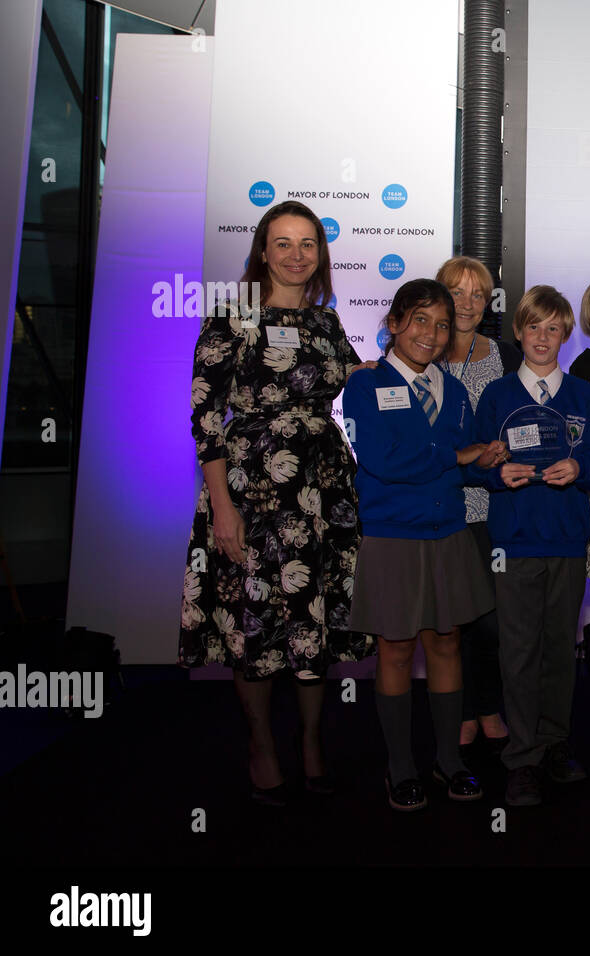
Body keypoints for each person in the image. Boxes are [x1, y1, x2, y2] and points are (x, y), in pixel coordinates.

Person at [179, 200, 373, 806]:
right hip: (253, 490)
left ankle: (312, 742)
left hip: (323, 490)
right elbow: (206, 420)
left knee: (316, 619)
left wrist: (410, 367)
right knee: (255, 621)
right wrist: (223, 508)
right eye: (283, 243)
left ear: (321, 254)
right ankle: (262, 744)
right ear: (263, 251)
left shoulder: (325, 322)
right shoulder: (231, 316)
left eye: (307, 244)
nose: (296, 255)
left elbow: (359, 379)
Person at [344, 279, 501, 810]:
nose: (430, 334)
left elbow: (470, 463)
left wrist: (496, 464)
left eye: (441, 324)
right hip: (393, 536)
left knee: (447, 642)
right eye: (419, 321)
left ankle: (449, 760)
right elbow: (382, 461)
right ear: (393, 324)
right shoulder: (366, 385)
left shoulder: (454, 392)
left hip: (449, 532)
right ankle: (400, 768)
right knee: (395, 648)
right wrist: (457, 458)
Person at [471, 285, 590, 806]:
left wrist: (579, 466)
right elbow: (477, 463)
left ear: (567, 335)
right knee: (519, 650)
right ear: (518, 331)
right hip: (513, 540)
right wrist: (495, 472)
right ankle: (522, 756)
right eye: (534, 327)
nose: (543, 338)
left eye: (554, 329)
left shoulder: (585, 397)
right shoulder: (497, 395)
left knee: (558, 648)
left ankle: (555, 742)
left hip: (568, 538)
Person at [434, 255, 521, 755]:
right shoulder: (422, 350)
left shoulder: (506, 355)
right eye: (457, 292)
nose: (467, 303)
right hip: (443, 506)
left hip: (494, 508)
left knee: (492, 618)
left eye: (478, 294)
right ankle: (464, 709)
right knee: (452, 619)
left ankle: (488, 704)